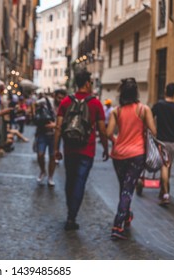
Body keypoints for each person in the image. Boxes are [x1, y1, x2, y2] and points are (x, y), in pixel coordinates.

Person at [54, 69, 109, 230]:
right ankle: (72, 217)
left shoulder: (65, 101)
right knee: (80, 182)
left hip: (69, 148)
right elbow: (102, 130)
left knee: (69, 181)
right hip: (87, 150)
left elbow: (58, 127)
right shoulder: (95, 103)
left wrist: (56, 148)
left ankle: (70, 212)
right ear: (87, 83)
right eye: (91, 82)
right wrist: (105, 148)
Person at [106, 78, 156, 240]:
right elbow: (153, 132)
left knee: (124, 187)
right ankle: (117, 225)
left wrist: (117, 141)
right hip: (136, 154)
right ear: (136, 92)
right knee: (128, 189)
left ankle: (126, 215)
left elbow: (108, 133)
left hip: (118, 154)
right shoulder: (144, 110)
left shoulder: (116, 111)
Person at [152, 83, 174, 205]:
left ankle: (166, 195)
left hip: (162, 140)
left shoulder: (158, 105)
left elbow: (150, 120)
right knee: (168, 166)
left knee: (164, 167)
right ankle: (163, 190)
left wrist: (153, 132)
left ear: (165, 90)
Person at [35, 94, 56, 187]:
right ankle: (43, 171)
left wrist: (55, 125)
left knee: (52, 156)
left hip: (54, 135)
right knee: (40, 154)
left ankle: (50, 177)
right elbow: (35, 105)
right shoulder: (46, 102)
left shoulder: (63, 106)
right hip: (42, 133)